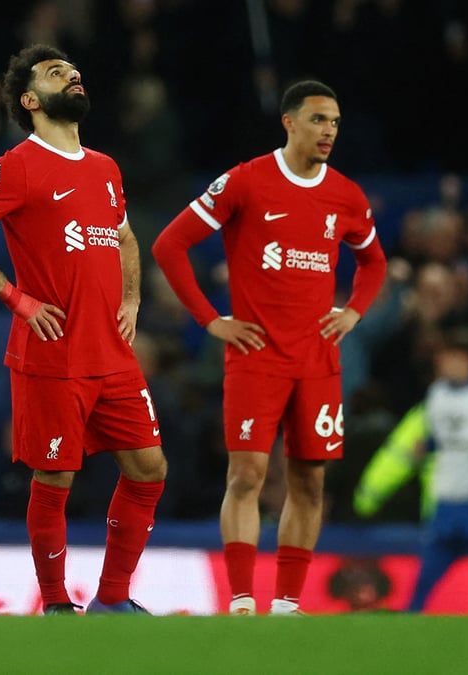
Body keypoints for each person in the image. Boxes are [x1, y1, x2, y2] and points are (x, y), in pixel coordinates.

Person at [0, 45, 167, 614]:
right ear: (32, 100)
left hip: (111, 352)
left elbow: (125, 235)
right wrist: (15, 298)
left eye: (76, 70)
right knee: (56, 476)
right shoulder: (18, 164)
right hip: (53, 353)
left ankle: (113, 600)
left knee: (149, 469)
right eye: (58, 72)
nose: (75, 75)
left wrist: (133, 296)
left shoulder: (105, 167)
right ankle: (57, 606)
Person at [151, 80, 388, 615]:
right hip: (256, 356)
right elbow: (170, 245)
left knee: (309, 481)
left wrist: (352, 311)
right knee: (247, 476)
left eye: (335, 122)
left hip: (318, 360)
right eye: (318, 119)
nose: (329, 131)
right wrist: (211, 321)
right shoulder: (246, 180)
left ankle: (285, 604)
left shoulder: (346, 195)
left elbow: (374, 262)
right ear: (289, 122)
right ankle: (240, 599)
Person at [405, 331, 468, 612]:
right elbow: (441, 435)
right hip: (448, 499)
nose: (442, 363)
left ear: (467, 359)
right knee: (426, 579)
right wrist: (426, 447)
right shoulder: (437, 393)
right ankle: (408, 622)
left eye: (449, 357)